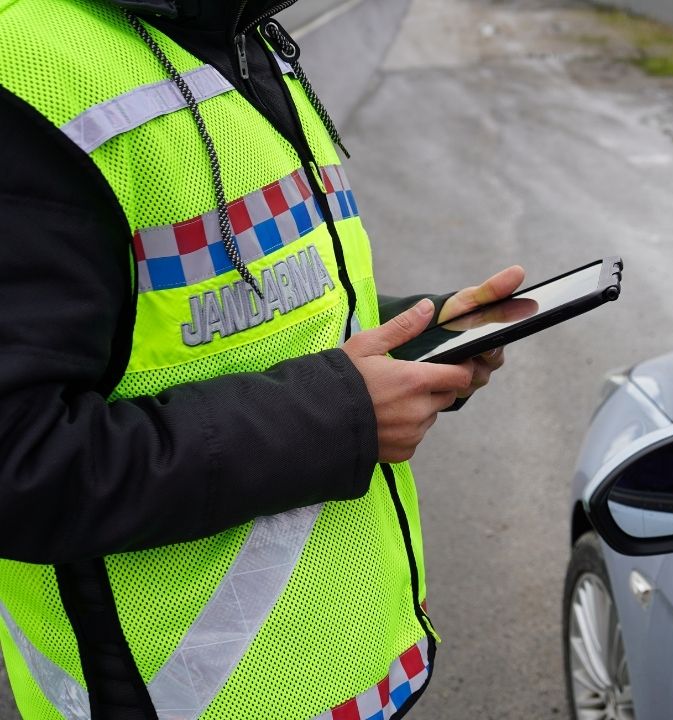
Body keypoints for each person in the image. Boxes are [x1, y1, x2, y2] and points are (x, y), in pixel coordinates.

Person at [0, 1, 522, 717]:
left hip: (358, 676)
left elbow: (273, 313)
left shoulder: (242, 36)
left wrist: (421, 336)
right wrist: (342, 414)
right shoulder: (23, 72)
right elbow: (19, 465)